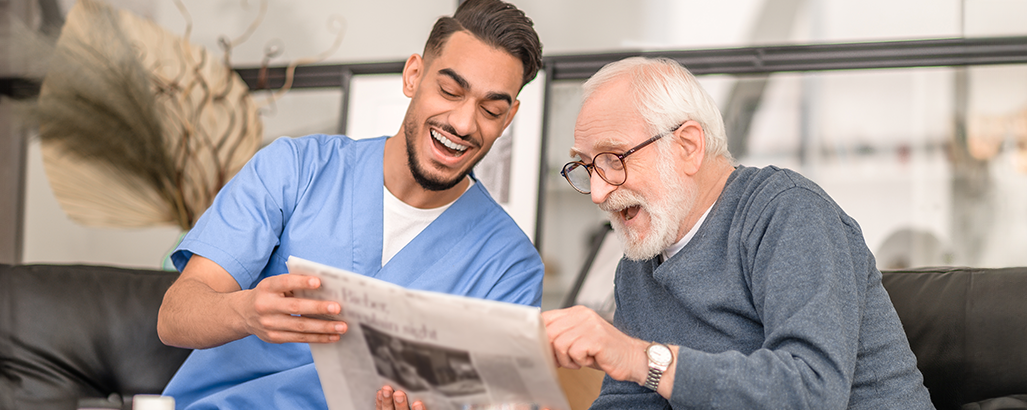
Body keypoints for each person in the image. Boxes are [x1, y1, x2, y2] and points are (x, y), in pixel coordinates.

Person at [155, 0, 544, 408]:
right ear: (414, 75)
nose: (464, 124)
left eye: (491, 109)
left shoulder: (509, 266)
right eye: (450, 91)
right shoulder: (296, 169)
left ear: (509, 117)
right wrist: (245, 312)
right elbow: (175, 316)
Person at [540, 56, 935, 409]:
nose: (597, 192)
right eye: (587, 166)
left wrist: (640, 359)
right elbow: (629, 402)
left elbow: (812, 390)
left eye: (613, 159)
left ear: (688, 146)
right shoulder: (639, 263)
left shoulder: (787, 212)